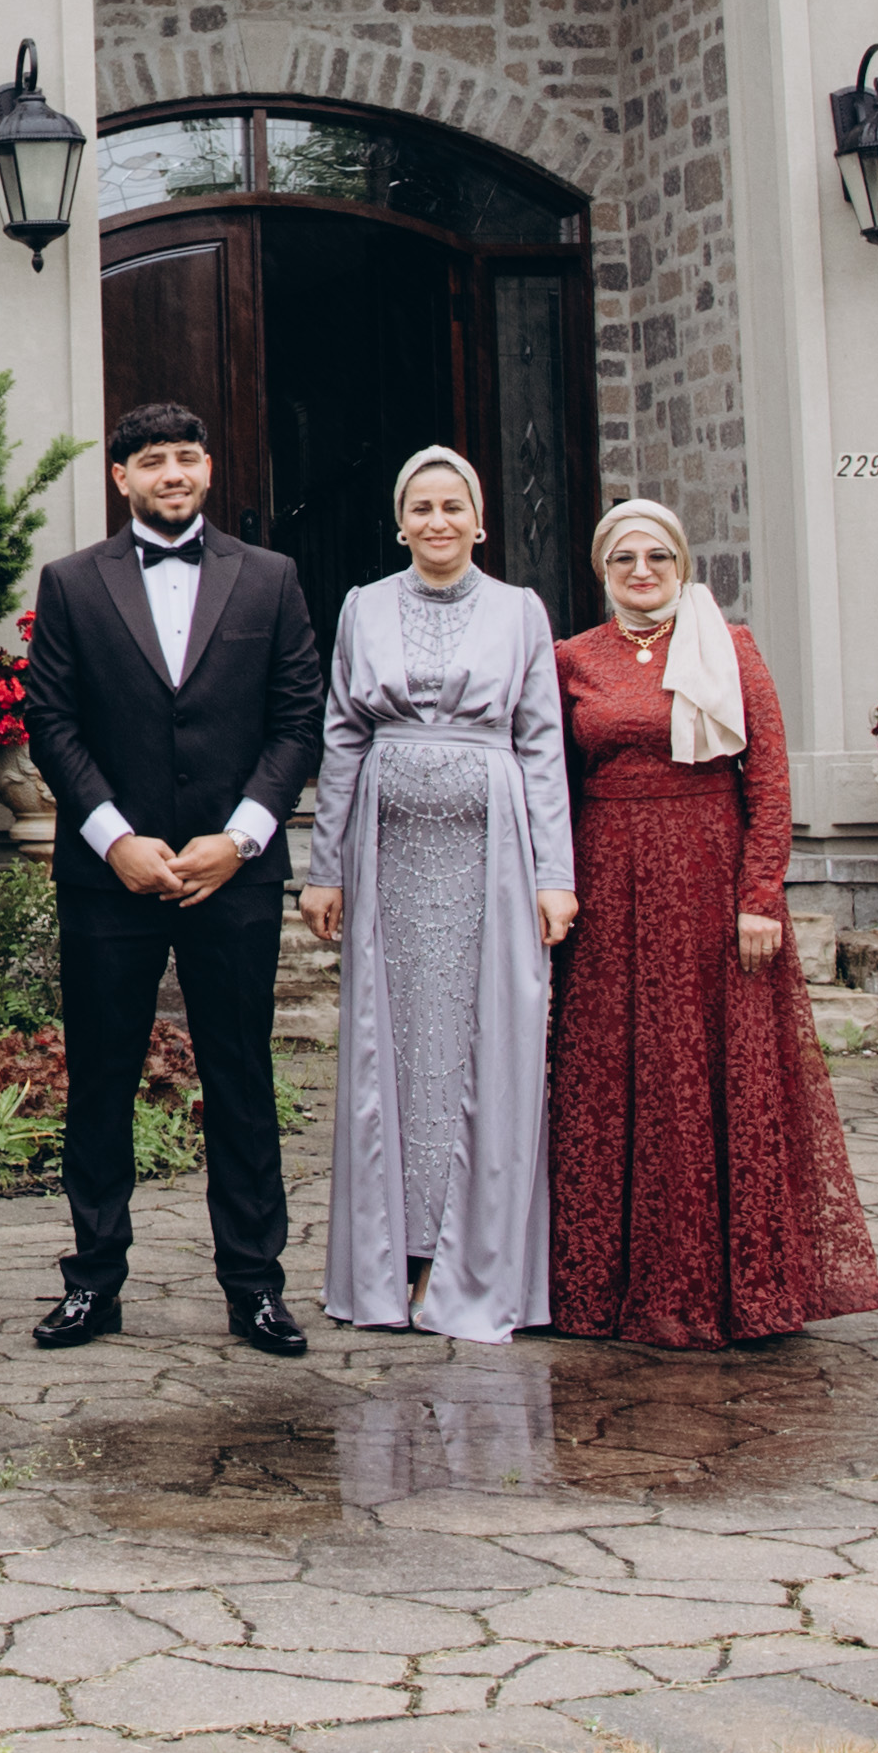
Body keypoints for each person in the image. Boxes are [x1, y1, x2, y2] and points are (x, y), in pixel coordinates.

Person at [16, 401, 320, 1360]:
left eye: (187, 456)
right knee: (100, 1080)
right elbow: (51, 722)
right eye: (152, 460)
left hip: (234, 874)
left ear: (208, 467)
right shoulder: (71, 582)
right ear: (122, 478)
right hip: (110, 877)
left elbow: (297, 720)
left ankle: (255, 1287)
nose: (173, 473)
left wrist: (241, 838)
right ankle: (92, 1282)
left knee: (240, 1077)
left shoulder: (270, 577)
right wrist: (114, 839)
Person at [548, 498, 878, 1349]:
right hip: (608, 883)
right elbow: (549, 782)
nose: (641, 571)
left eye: (657, 556)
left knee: (707, 1072)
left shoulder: (728, 647)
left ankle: (734, 1287)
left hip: (707, 879)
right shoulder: (570, 657)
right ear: (601, 569)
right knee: (615, 1070)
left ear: (682, 564)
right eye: (623, 558)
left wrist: (759, 895)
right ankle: (604, 1286)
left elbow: (767, 778)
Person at [300, 445, 574, 1345]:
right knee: (392, 1052)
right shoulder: (362, 606)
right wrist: (325, 866)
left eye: (452, 505)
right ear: (399, 521)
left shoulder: (519, 610)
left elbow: (541, 744)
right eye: (420, 507)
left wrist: (554, 875)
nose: (437, 521)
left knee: (482, 1047)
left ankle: (472, 1265)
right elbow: (342, 736)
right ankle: (395, 1263)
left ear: (479, 519)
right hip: (388, 859)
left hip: (489, 859)